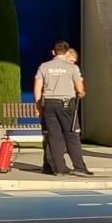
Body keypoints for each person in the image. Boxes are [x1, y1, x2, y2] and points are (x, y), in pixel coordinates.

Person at [33, 40, 91, 176]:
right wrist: (81, 93)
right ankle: (79, 166)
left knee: (54, 137)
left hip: (49, 103)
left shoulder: (44, 66)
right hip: (66, 104)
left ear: (53, 52)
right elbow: (80, 88)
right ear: (66, 52)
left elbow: (37, 87)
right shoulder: (72, 68)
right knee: (71, 135)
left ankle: (59, 168)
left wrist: (38, 106)